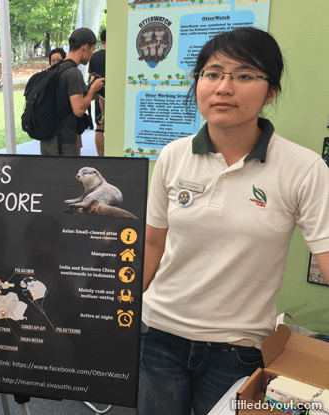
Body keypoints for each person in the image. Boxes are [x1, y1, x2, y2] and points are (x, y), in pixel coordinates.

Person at [139, 27, 329, 415]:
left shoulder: (303, 168)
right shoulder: (173, 155)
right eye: (212, 73)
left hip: (237, 350)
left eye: (244, 76)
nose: (223, 87)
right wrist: (118, 312)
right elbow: (153, 243)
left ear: (270, 92)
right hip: (157, 335)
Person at [41, 27, 104, 156]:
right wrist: (93, 89)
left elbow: (67, 100)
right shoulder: (73, 73)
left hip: (47, 139)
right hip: (63, 143)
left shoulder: (57, 68)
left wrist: (91, 91)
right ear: (85, 47)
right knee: (68, 176)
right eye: (92, 50)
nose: (92, 54)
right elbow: (79, 109)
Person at [88, 29, 106, 157]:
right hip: (116, 97)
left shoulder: (94, 56)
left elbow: (91, 77)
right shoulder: (117, 54)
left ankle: (101, 157)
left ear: (101, 41)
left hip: (99, 93)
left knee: (99, 128)